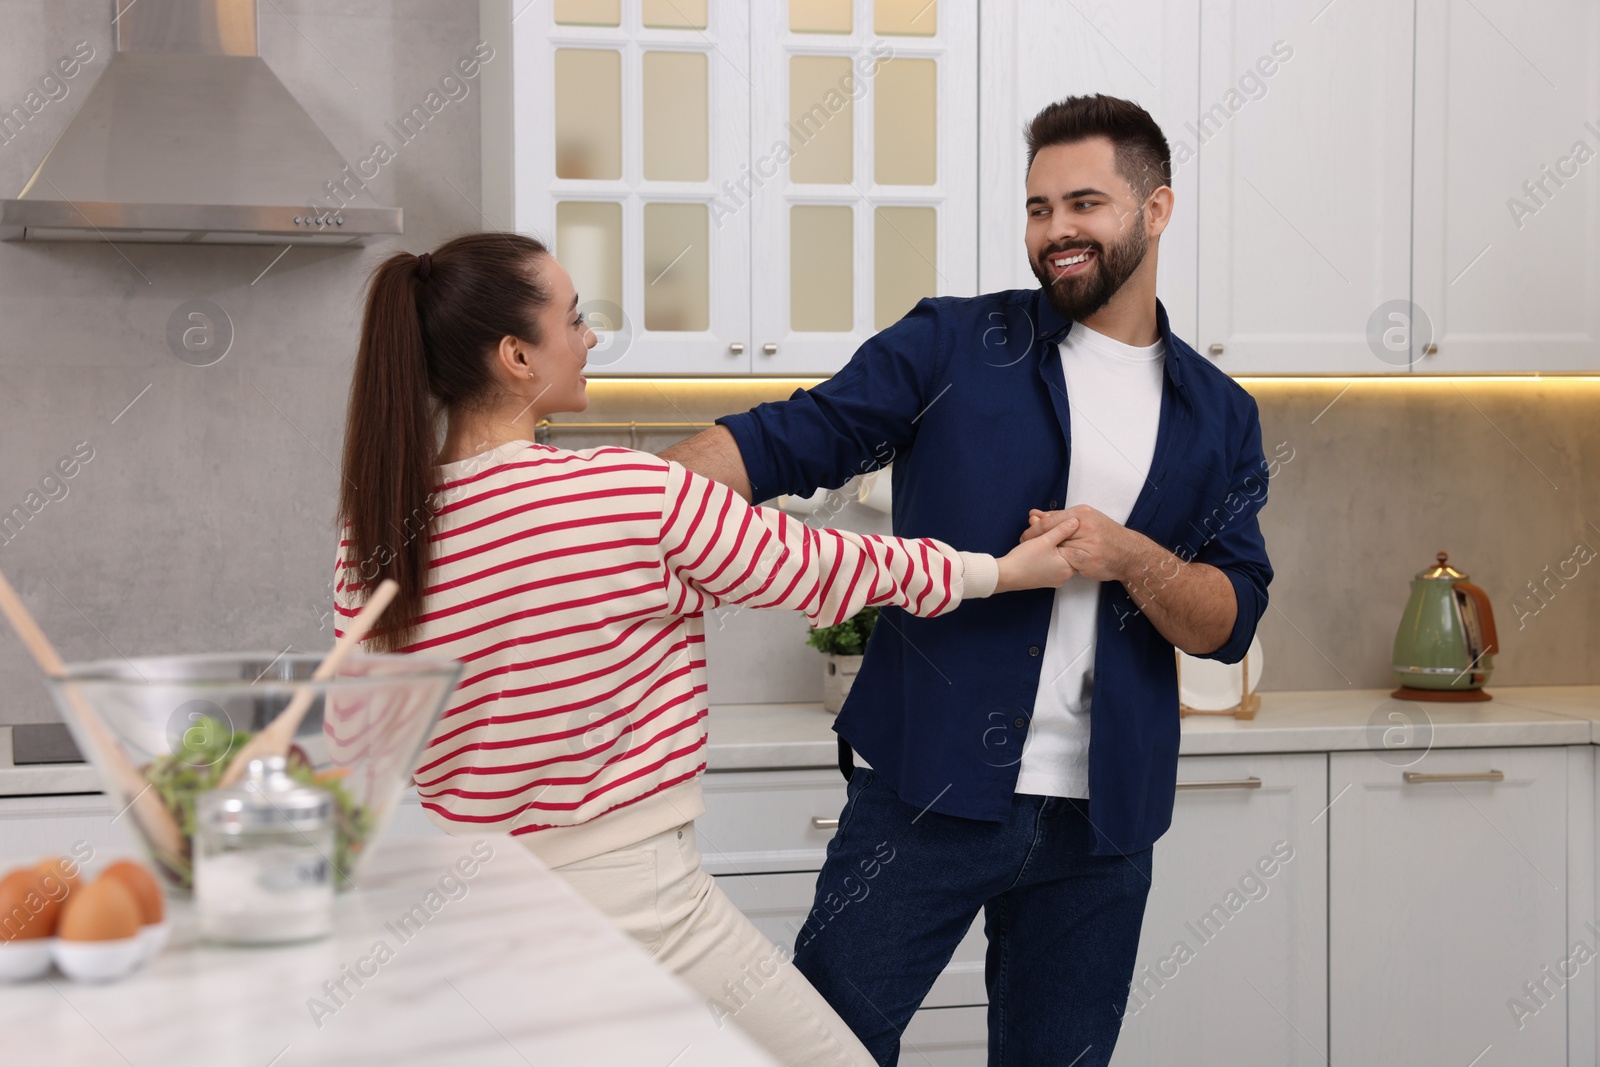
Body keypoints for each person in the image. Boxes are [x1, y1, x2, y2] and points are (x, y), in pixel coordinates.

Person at [331, 231, 1085, 1067]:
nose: (588, 339)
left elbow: (368, 737)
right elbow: (829, 567)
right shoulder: (624, 492)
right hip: (630, 898)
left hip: (474, 909)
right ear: (516, 354)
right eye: (574, 319)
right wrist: (1000, 572)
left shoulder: (374, 533)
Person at [659, 94, 1275, 1065]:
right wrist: (614, 491)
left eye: (1084, 202)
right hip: (923, 789)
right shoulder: (950, 344)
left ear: (1155, 210)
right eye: (1038, 208)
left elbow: (1227, 621)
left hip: (1103, 818)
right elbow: (790, 437)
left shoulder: (1219, 412)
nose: (1056, 230)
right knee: (819, 1047)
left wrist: (1129, 555)